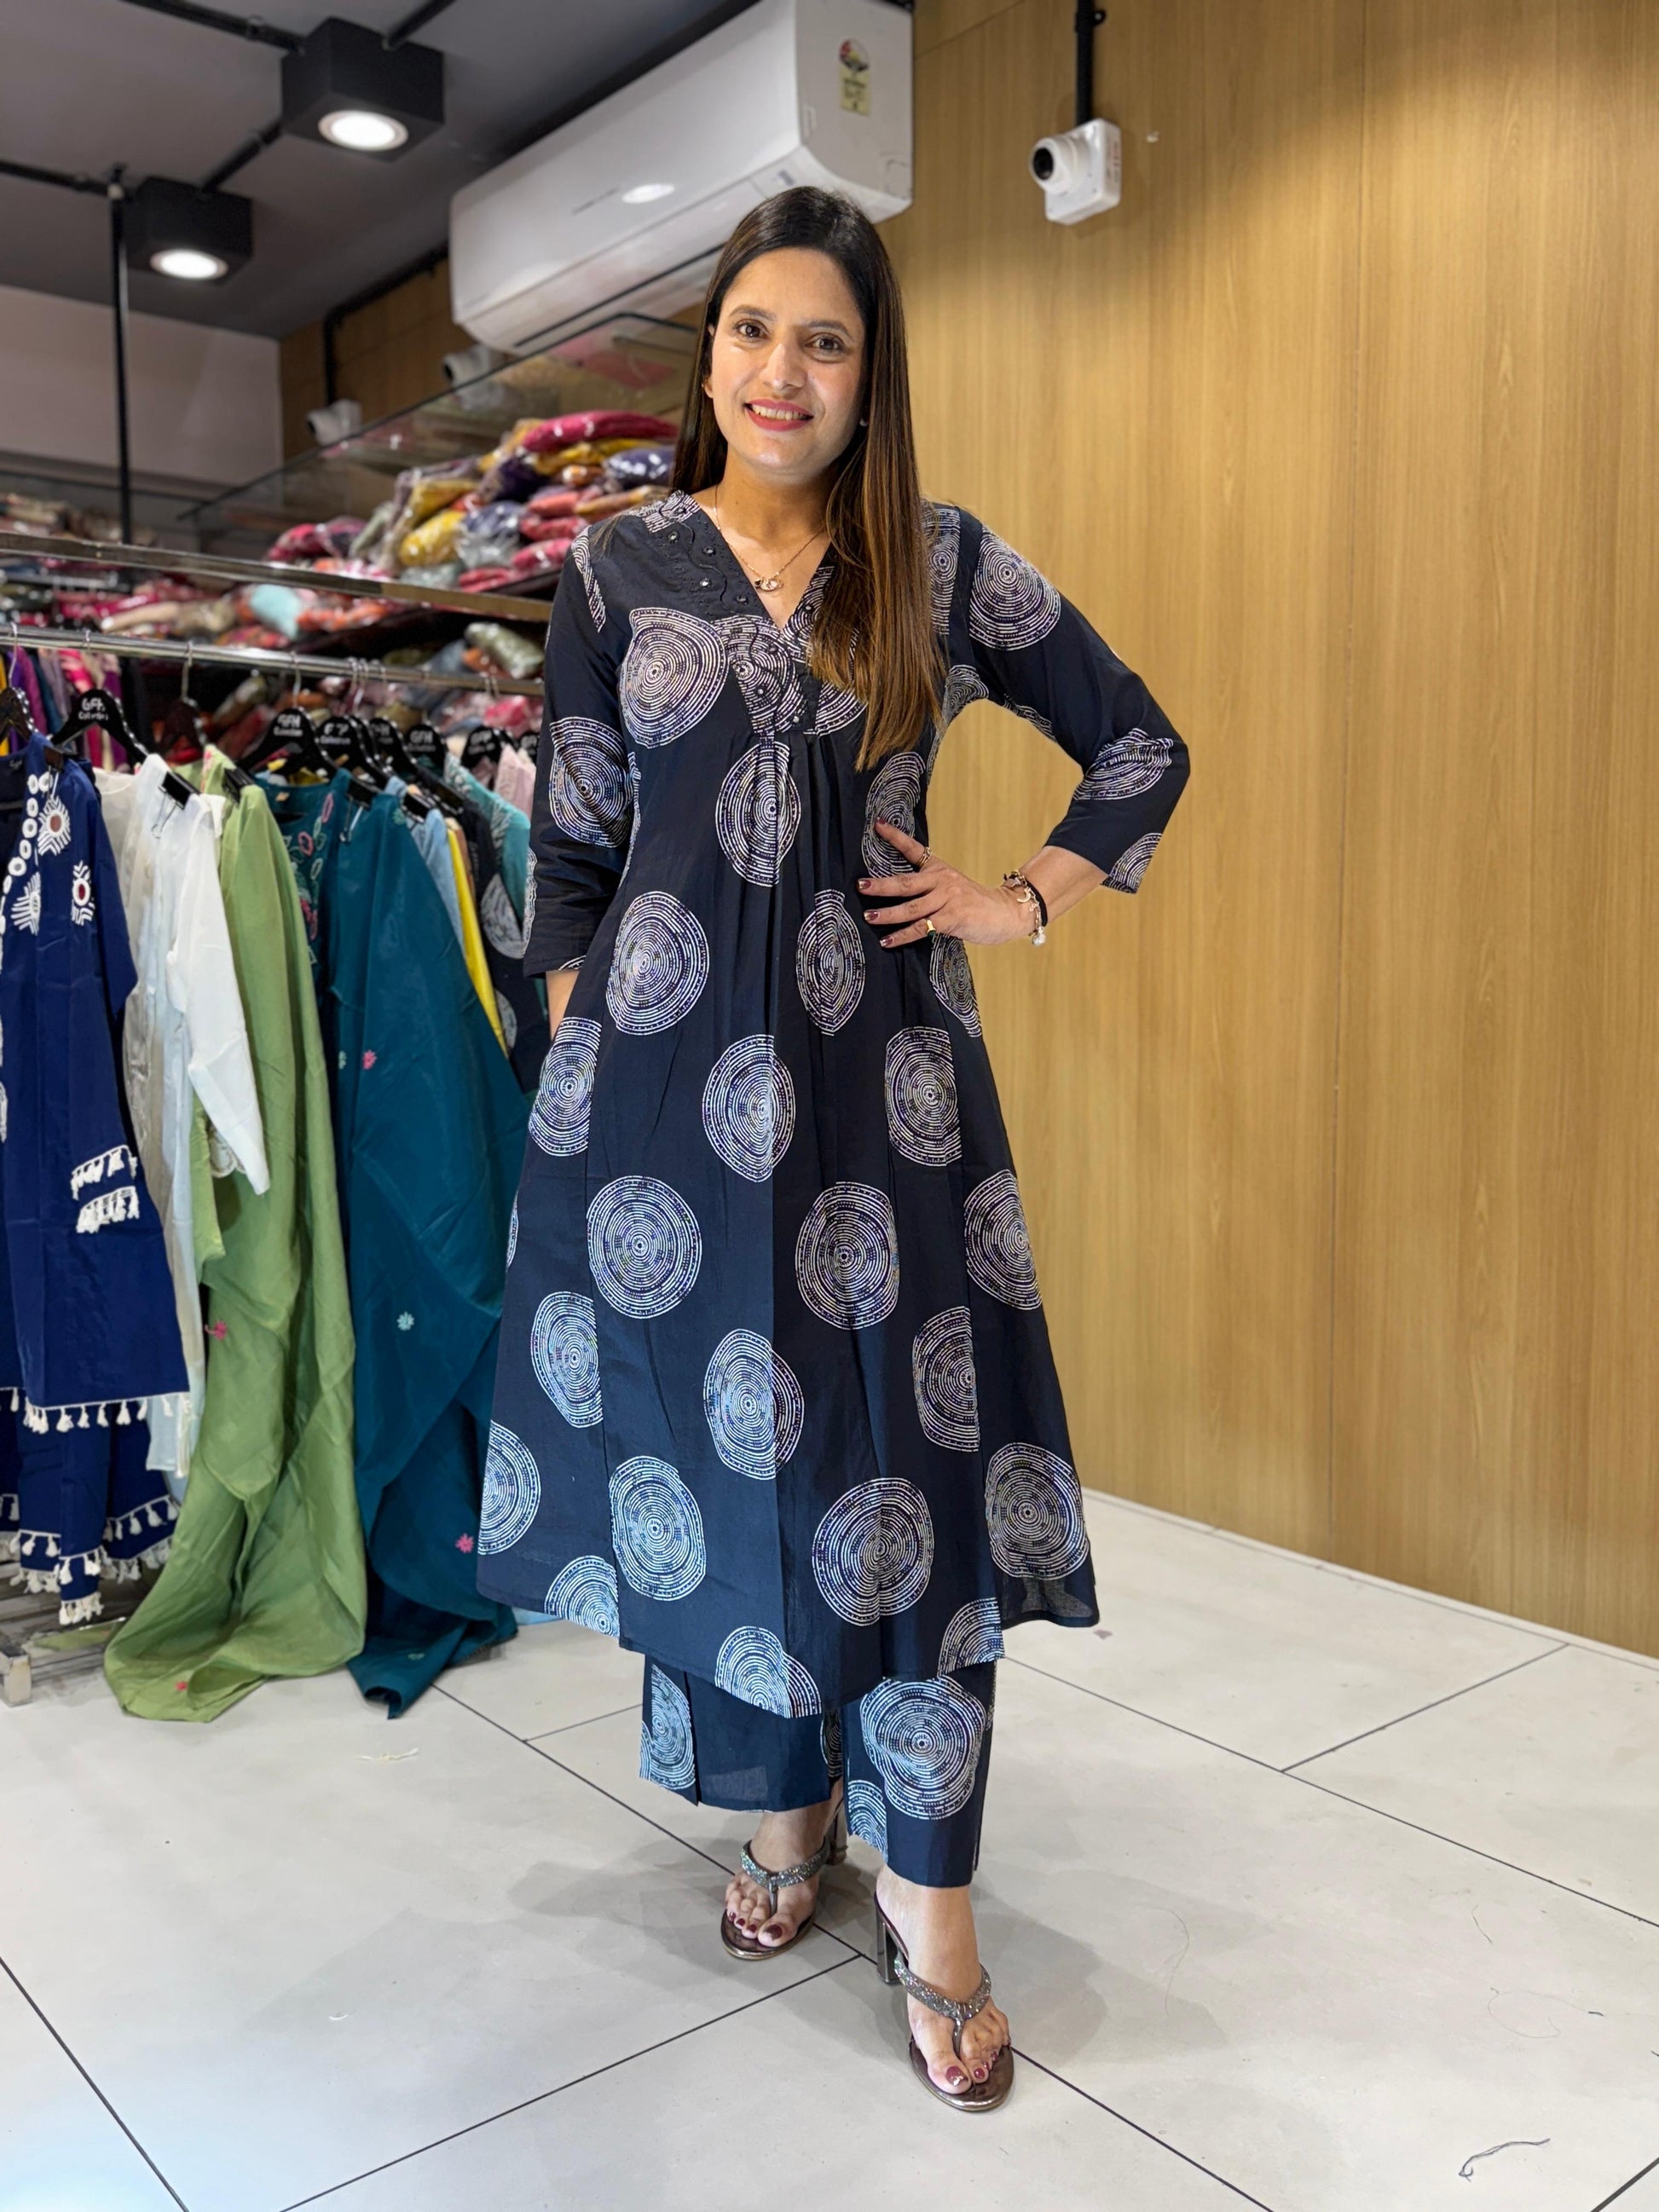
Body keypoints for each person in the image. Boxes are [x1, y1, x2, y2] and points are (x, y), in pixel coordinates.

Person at [480, 185, 1189, 2111]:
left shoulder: (937, 563)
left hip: (889, 1106)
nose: (780, 372)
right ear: (707, 355)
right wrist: (587, 1033)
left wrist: (1016, 901)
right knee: (723, 1457)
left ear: (871, 378)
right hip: (659, 1115)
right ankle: (783, 1803)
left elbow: (1137, 745)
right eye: (750, 331)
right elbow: (572, 844)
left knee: (905, 1474)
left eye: (824, 341)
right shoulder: (616, 568)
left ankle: (932, 1903)